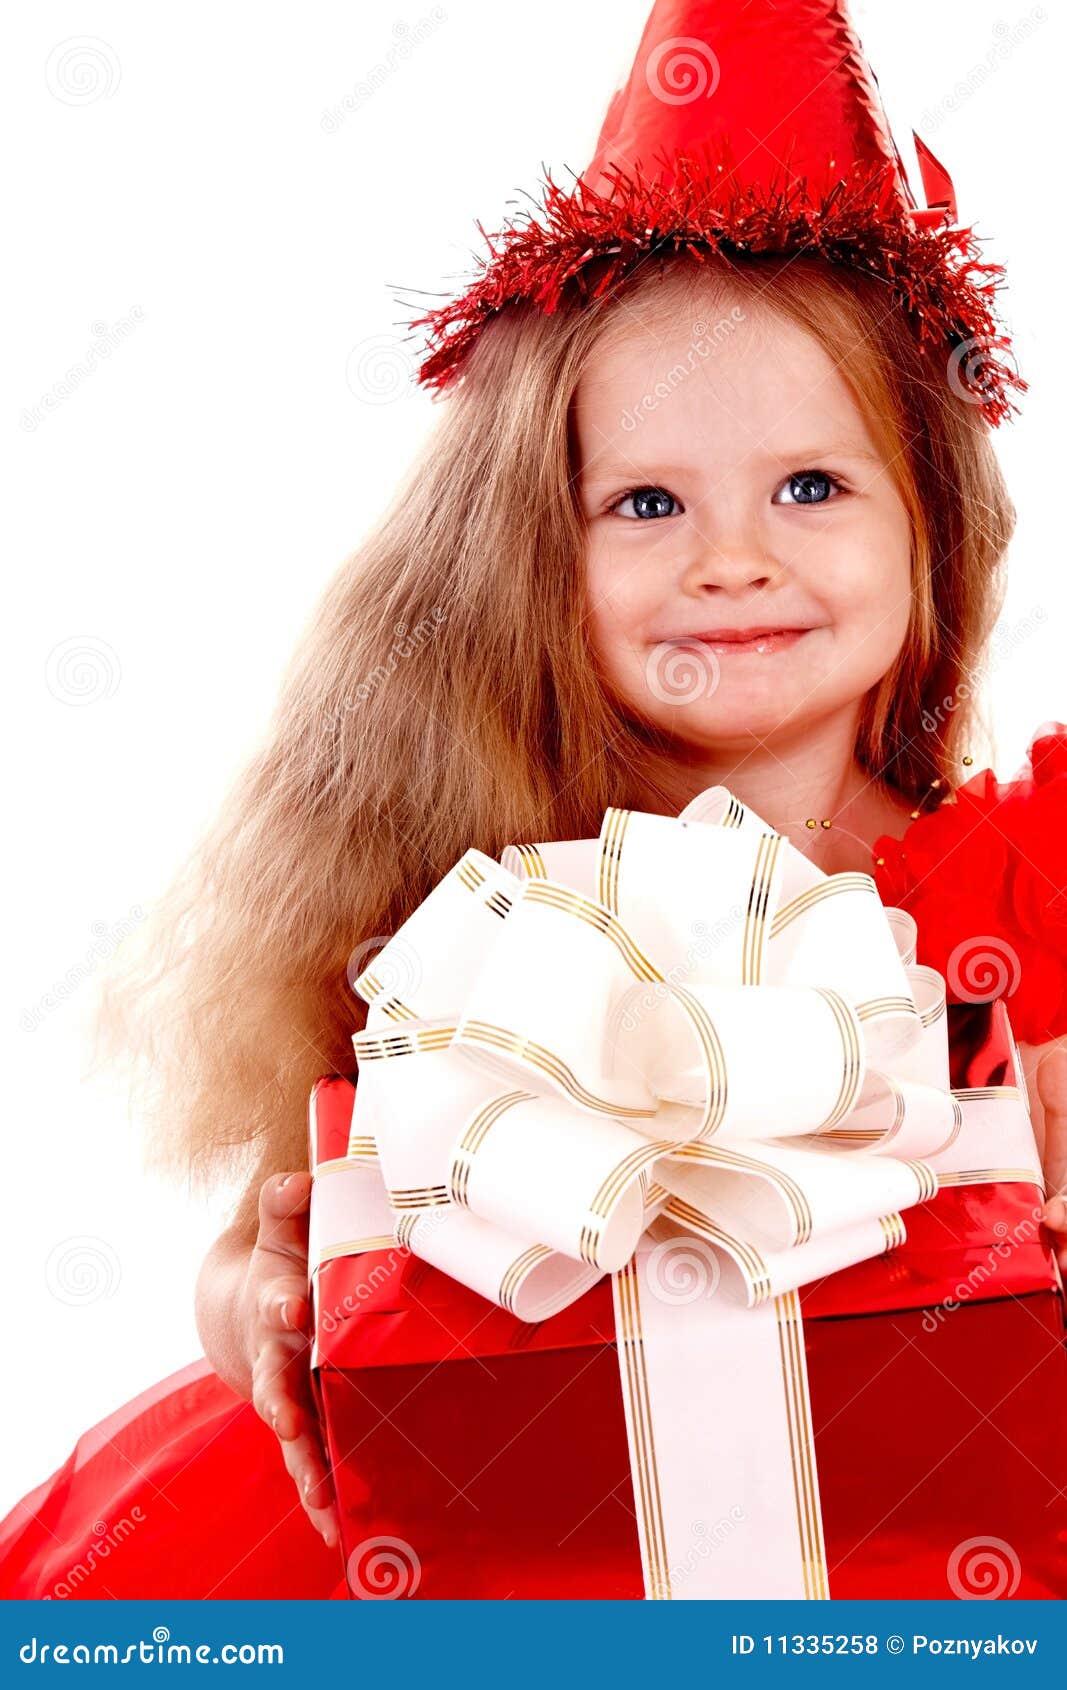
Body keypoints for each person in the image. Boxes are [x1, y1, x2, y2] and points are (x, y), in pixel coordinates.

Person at [3, 0, 1065, 1600]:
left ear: (934, 536)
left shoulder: (1031, 893)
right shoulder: (473, 910)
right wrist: (260, 1306)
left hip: (941, 1546)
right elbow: (267, 1246)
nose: (732, 557)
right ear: (529, 555)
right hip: (526, 1568)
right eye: (646, 501)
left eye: (812, 487)